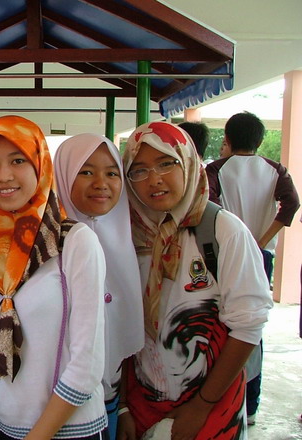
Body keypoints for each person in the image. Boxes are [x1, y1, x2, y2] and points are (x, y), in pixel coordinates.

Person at [117, 121, 272, 440]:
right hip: (141, 404)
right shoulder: (127, 236)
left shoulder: (223, 231)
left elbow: (248, 326)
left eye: (166, 163)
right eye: (139, 170)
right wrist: (122, 406)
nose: (154, 179)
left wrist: (202, 406)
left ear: (188, 162)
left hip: (212, 409)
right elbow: (120, 328)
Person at [0, 115, 108, 440]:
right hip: (0, 426)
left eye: (18, 160)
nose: (4, 176)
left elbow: (87, 363)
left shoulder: (74, 242)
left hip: (70, 431)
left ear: (40, 165)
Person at [206, 111, 299, 424]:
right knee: (252, 327)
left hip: (225, 255)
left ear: (227, 139)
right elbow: (291, 203)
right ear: (259, 140)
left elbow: (210, 207)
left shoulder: (217, 169)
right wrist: (261, 240)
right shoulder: (275, 169)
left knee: (224, 324)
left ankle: (225, 399)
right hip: (261, 255)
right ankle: (251, 403)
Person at [53, 134, 144, 440]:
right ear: (63, 175)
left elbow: (125, 336)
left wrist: (124, 406)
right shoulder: (46, 248)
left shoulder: (130, 244)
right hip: (55, 407)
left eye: (112, 173)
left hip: (110, 399)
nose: (101, 183)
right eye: (86, 171)